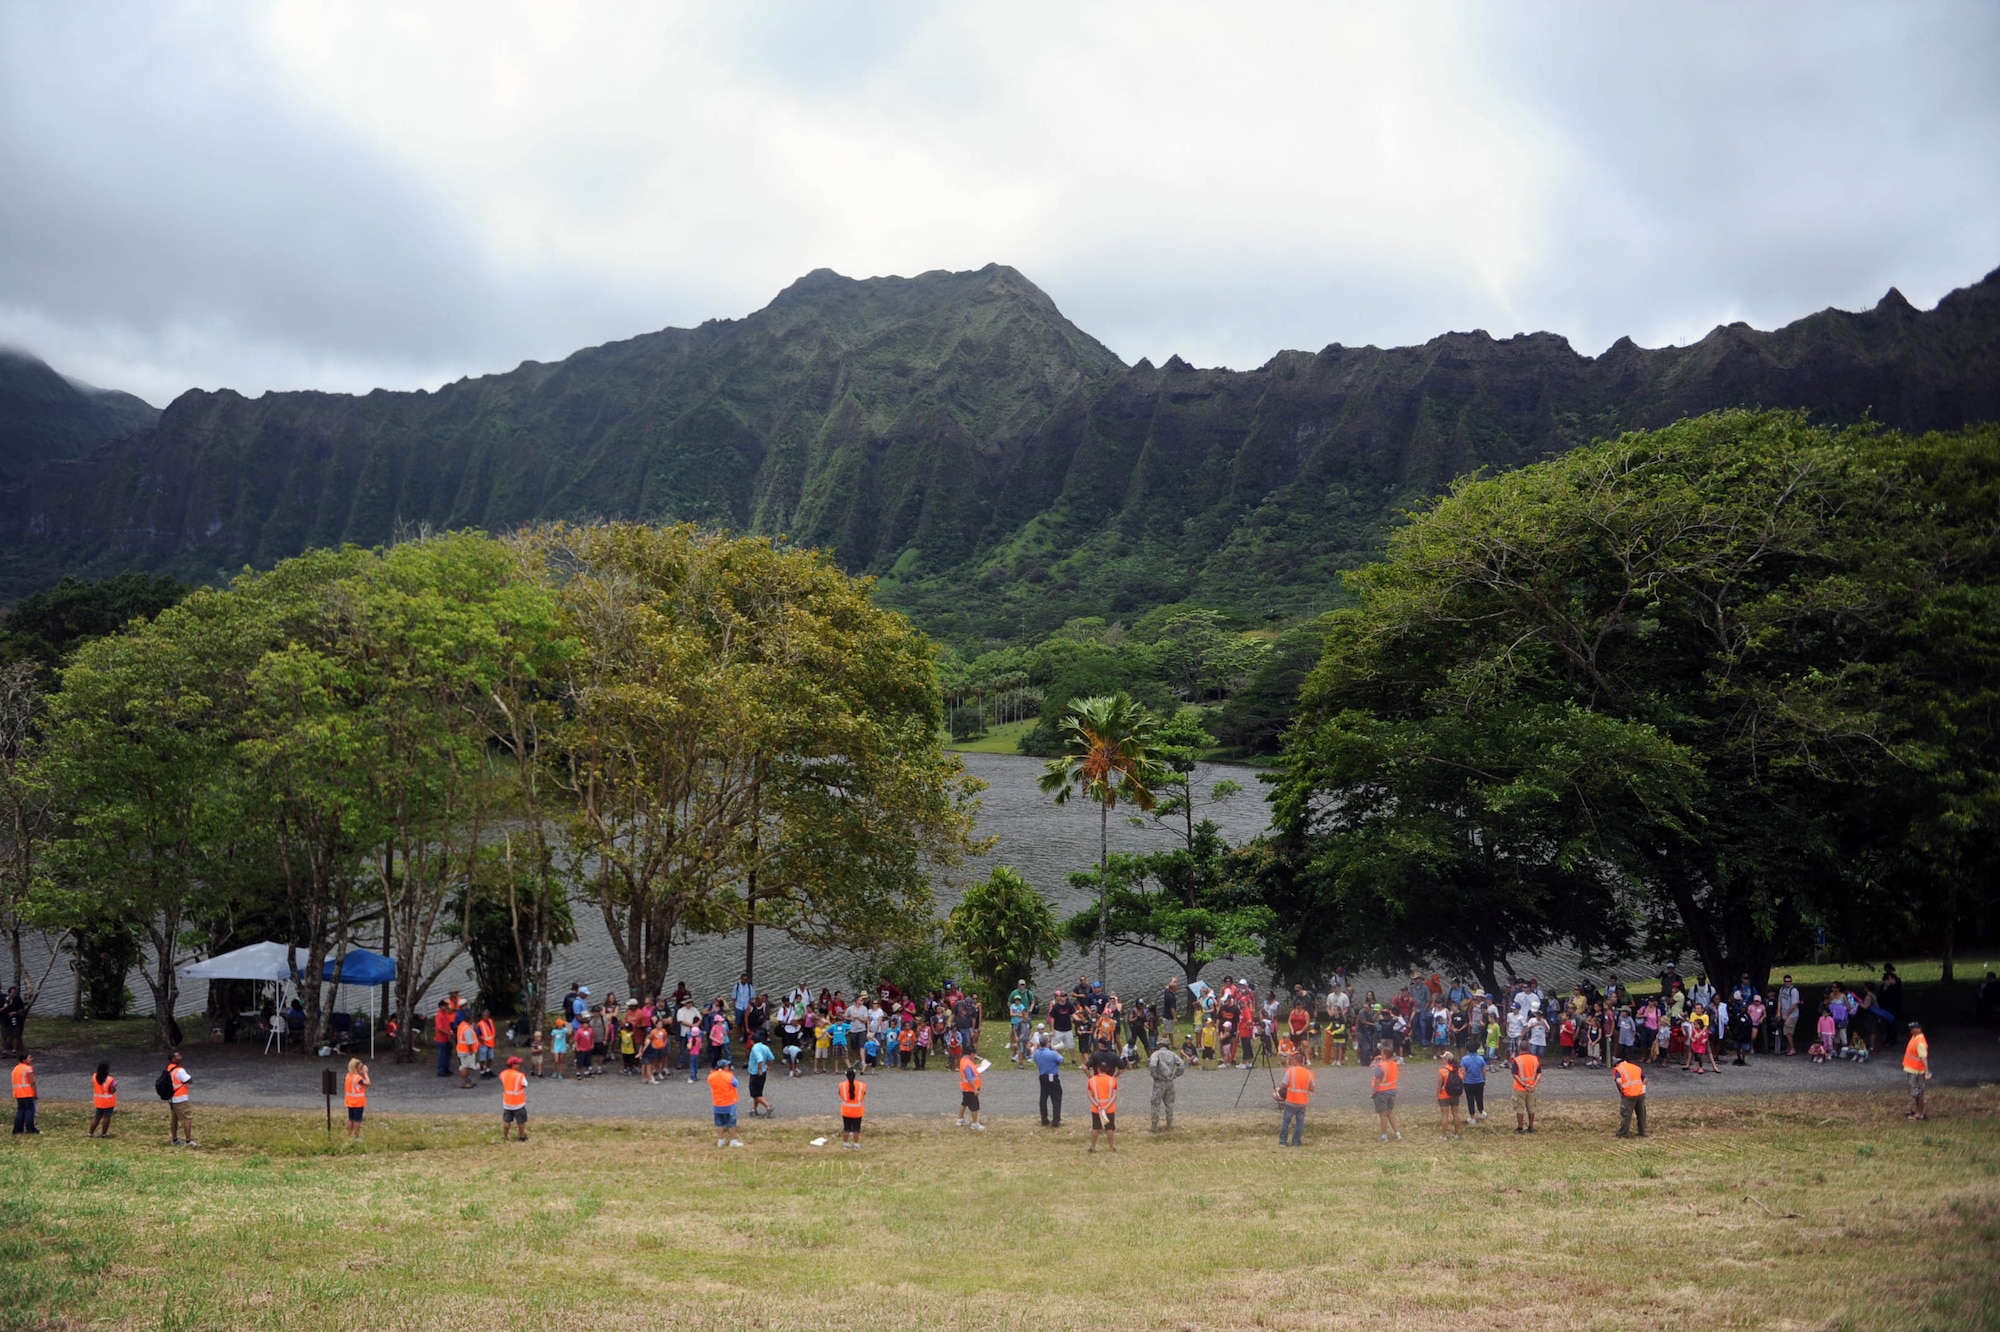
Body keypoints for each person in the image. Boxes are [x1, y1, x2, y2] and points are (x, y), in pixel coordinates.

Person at [1276, 1050, 1314, 1147]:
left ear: (1296, 1061)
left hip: (1291, 1100)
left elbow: (1284, 1086)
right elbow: (1312, 1088)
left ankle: (1283, 1142)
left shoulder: (1290, 1071)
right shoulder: (1308, 1073)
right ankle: (1296, 1142)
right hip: (1302, 1102)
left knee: (1286, 1121)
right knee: (1300, 1122)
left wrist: (1280, 1091)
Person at [707, 1057, 743, 1147]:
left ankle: (720, 1140)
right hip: (729, 1103)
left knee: (719, 1123)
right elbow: (736, 1084)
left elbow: (710, 1082)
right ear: (725, 1067)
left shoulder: (711, 1076)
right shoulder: (729, 1076)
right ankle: (733, 1141)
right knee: (731, 1123)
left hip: (717, 1103)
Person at [1031, 1032, 1064, 1128]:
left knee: (1043, 1098)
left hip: (1042, 1076)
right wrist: (1054, 1050)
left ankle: (1044, 1119)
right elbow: (1061, 1060)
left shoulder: (1037, 1053)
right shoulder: (1051, 1053)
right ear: (1047, 1043)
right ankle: (1056, 1120)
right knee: (1056, 1097)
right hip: (1052, 1076)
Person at [1613, 1052, 1647, 1137]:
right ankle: (1642, 1132)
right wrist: (1642, 1088)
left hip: (1629, 1094)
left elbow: (1619, 1081)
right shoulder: (1636, 1067)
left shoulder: (1619, 1069)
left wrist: (1622, 1092)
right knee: (1641, 1113)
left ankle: (1624, 1133)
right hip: (1640, 1093)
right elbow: (1645, 1079)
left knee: (1626, 1113)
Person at [1371, 1047, 1401, 1142]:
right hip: (1392, 1091)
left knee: (1383, 1114)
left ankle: (1384, 1136)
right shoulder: (1395, 1065)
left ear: (1384, 1055)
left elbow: (1377, 1080)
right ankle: (1397, 1133)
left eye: (1382, 1053)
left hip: (1381, 1091)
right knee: (1390, 1112)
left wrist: (1373, 1092)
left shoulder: (1381, 1066)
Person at [1903, 1020, 1931, 1120]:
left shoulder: (1920, 1042)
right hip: (1912, 1069)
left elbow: (1924, 1058)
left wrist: (1927, 1072)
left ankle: (1920, 1113)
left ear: (1918, 1029)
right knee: (1915, 1092)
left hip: (1917, 1071)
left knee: (1918, 1092)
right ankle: (1917, 1111)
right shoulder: (1915, 1038)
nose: (1911, 1030)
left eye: (1913, 1028)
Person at [1086, 1065, 1117, 1153]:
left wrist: (1097, 1105)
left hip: (1096, 1109)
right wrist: (1107, 1106)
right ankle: (1111, 1148)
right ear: (1107, 1069)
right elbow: (1114, 1095)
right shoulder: (1112, 1080)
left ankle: (1093, 1147)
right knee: (1110, 1129)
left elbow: (1089, 1095)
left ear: (1098, 1069)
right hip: (1109, 1109)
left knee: (1095, 1128)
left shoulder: (1091, 1080)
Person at [166, 1050, 194, 1146]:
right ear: (173, 1059)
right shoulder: (179, 1070)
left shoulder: (169, 1069)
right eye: (178, 1056)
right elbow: (189, 1080)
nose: (180, 1057)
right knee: (187, 1118)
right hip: (180, 1098)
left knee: (174, 1119)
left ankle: (174, 1139)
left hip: (172, 1098)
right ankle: (188, 1140)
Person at [1511, 1046, 1541, 1134]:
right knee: (1531, 1108)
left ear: (1520, 1049)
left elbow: (1514, 1074)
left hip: (1520, 1088)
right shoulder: (1535, 1059)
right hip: (1532, 1088)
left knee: (1520, 1108)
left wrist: (1524, 1084)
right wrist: (1534, 1084)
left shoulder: (1517, 1060)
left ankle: (1520, 1127)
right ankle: (1531, 1127)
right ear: (1529, 1049)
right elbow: (1539, 1073)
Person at [500, 1055, 530, 1142]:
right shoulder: (520, 1075)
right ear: (513, 1065)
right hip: (518, 1103)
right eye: (517, 1064)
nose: (519, 1065)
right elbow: (525, 1084)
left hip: (507, 1102)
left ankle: (505, 1136)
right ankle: (522, 1136)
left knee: (507, 1120)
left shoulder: (503, 1074)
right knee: (521, 1121)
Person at [1435, 1050, 1462, 1139]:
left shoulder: (1442, 1070)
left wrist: (1437, 1095)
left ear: (1446, 1060)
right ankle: (1456, 1134)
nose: (1442, 1060)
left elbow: (1439, 1084)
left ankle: (1444, 1135)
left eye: (1443, 1058)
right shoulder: (1457, 1070)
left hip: (1444, 1095)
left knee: (1445, 1115)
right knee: (1456, 1114)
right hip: (1455, 1095)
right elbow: (1461, 1079)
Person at [747, 1033, 775, 1117]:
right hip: (763, 1072)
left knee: (754, 1093)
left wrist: (759, 1069)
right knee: (758, 1093)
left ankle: (768, 1106)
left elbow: (760, 1059)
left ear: (753, 1041)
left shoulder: (755, 1048)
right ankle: (754, 1109)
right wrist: (768, 1066)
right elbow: (771, 1058)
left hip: (755, 1073)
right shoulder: (765, 1047)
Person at [838, 1066, 866, 1149]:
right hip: (857, 1111)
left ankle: (845, 1144)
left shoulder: (841, 1085)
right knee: (856, 1128)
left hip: (846, 1111)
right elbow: (864, 1094)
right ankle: (856, 1144)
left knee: (846, 1128)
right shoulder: (862, 1085)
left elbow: (840, 1094)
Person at [957, 1049, 985, 1131]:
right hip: (970, 1089)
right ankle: (974, 1124)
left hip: (965, 1088)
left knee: (964, 1102)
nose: (975, 1056)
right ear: (971, 1054)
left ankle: (960, 1119)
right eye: (974, 1054)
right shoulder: (967, 1064)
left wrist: (977, 1066)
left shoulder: (964, 1060)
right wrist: (975, 1089)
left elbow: (971, 1070)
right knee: (974, 1106)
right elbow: (970, 1078)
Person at [344, 1057, 370, 1141]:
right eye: (360, 1066)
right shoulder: (357, 1078)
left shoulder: (348, 1076)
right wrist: (365, 1073)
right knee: (357, 1120)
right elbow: (368, 1083)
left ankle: (349, 1135)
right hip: (358, 1102)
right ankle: (356, 1136)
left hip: (350, 1101)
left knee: (350, 1119)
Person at [10, 1051, 36, 1135]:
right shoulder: (28, 1069)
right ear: (24, 1059)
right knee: (29, 1111)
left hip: (18, 1093)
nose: (32, 1059)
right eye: (30, 1057)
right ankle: (30, 1129)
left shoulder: (16, 1068)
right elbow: (32, 1082)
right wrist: (35, 1092)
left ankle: (17, 1129)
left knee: (20, 1111)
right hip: (27, 1092)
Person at [88, 1061, 116, 1138]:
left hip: (98, 1101)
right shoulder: (110, 1079)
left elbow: (94, 1085)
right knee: (106, 1117)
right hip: (108, 1102)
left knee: (97, 1117)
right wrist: (115, 1086)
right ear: (106, 1070)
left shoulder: (94, 1076)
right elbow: (112, 1090)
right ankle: (103, 1134)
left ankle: (90, 1133)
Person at [1460, 1046, 1487, 1121]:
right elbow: (1484, 1071)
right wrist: (1484, 1079)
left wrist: (1462, 1081)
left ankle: (1472, 1117)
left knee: (1470, 1099)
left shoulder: (1464, 1059)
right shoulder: (1480, 1058)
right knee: (1479, 1097)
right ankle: (1481, 1112)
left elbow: (1463, 1072)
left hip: (1468, 1082)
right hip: (1479, 1081)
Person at [455, 1011, 479, 1088]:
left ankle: (466, 1081)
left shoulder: (462, 1025)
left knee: (465, 1066)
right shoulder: (467, 1029)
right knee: (466, 1067)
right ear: (470, 1019)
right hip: (466, 1051)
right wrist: (471, 1051)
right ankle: (464, 1082)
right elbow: (469, 1042)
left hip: (462, 1050)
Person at [432, 999, 455, 1077]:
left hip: (447, 1037)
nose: (446, 1007)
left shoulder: (446, 1014)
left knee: (448, 1054)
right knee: (442, 1054)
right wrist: (448, 1033)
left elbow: (447, 1025)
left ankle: (446, 1068)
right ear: (441, 1007)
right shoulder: (439, 1016)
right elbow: (440, 1029)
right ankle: (441, 1070)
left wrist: (450, 1031)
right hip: (441, 1038)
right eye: (445, 1005)